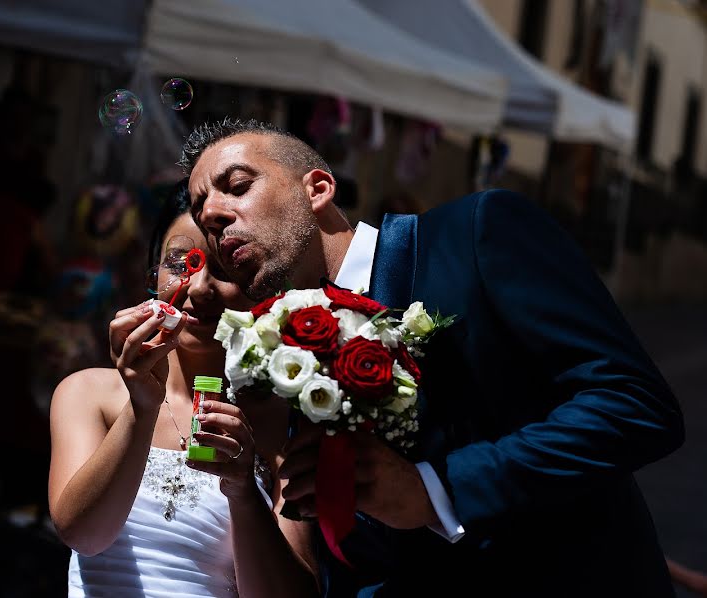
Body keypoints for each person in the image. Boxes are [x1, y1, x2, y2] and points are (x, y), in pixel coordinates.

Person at [180, 118, 684, 597]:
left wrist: (435, 490)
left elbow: (633, 402)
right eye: (201, 212)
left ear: (318, 189)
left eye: (238, 185)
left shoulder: (475, 235)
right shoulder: (281, 358)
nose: (213, 215)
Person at [47, 180, 319, 597]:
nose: (198, 288)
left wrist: (243, 493)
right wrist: (142, 408)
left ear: (260, 286)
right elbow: (85, 536)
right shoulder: (89, 394)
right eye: (181, 263)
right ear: (152, 273)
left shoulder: (282, 423)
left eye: (225, 268)